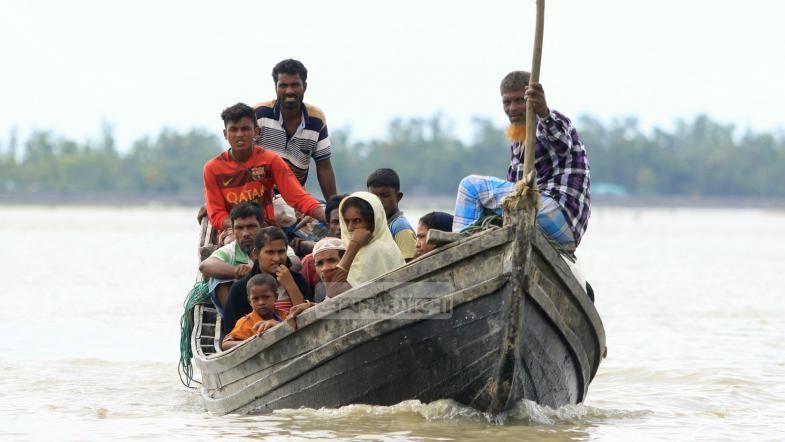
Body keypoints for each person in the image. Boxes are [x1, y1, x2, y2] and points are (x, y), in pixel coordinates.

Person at [452, 71, 591, 249]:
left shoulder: (550, 122)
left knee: (470, 186)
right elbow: (514, 192)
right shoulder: (518, 138)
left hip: (559, 214)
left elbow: (562, 145)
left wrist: (543, 112)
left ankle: (460, 249)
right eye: (507, 102)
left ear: (532, 98)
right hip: (545, 222)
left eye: (519, 100)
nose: (512, 108)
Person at [202, 102, 326, 235]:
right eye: (233, 130)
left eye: (245, 129)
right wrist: (243, 227)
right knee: (235, 239)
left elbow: (298, 197)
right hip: (233, 231)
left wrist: (329, 217)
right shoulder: (212, 168)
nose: (239, 134)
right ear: (225, 134)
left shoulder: (270, 161)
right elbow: (217, 214)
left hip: (266, 229)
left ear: (256, 131)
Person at [255, 59, 337, 200]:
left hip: (295, 199)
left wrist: (334, 206)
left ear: (304, 87)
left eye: (295, 85)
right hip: (258, 196)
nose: (289, 91)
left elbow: (324, 167)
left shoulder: (317, 119)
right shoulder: (259, 114)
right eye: (283, 85)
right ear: (275, 87)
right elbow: (241, 158)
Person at [222, 227, 313, 334]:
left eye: (281, 252)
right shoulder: (241, 289)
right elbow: (234, 333)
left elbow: (308, 320)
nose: (277, 258)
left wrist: (290, 285)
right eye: (270, 252)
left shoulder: (297, 280)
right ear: (256, 254)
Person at [318, 192, 405, 299]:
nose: (349, 228)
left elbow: (333, 292)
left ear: (373, 221)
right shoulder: (375, 247)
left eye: (357, 221)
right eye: (346, 221)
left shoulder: (376, 250)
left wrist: (353, 246)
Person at [199, 202, 263, 315]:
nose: (245, 233)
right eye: (239, 228)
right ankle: (237, 320)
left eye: (251, 227)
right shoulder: (231, 250)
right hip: (243, 311)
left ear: (262, 227)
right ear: (232, 230)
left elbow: (294, 262)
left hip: (272, 305)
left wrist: (257, 270)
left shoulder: (271, 244)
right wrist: (236, 271)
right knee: (217, 279)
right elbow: (205, 266)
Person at [286, 237, 346, 325]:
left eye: (331, 260)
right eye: (319, 263)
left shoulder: (358, 283)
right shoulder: (321, 291)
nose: (325, 268)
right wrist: (311, 307)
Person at [222, 274, 288, 350]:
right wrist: (253, 342)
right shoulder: (246, 322)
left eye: (266, 297)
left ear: (276, 297)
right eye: (255, 299)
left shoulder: (284, 315)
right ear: (249, 301)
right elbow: (225, 344)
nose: (261, 302)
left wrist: (278, 325)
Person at [366, 168, 417, 260]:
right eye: (373, 196)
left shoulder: (400, 227)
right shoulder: (379, 225)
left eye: (385, 196)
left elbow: (409, 264)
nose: (379, 201)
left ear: (398, 197)